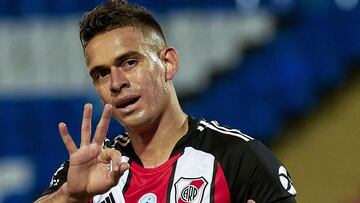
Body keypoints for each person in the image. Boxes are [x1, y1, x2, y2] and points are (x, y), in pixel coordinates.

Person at [35, 0, 297, 202]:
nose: (116, 82)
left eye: (129, 62)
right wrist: (69, 196)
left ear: (168, 63)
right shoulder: (89, 172)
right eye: (101, 73)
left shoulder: (238, 159)